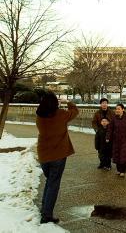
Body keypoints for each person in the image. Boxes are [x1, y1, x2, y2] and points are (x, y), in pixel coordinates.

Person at [36, 92, 79, 224]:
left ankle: (44, 209)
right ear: (55, 103)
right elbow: (75, 111)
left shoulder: (39, 116)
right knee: (54, 184)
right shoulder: (60, 114)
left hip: (44, 155)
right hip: (58, 155)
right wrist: (67, 102)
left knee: (50, 181)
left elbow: (46, 109)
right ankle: (47, 215)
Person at [106, 103, 126, 177]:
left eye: (119, 109)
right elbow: (110, 129)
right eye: (116, 109)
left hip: (125, 140)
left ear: (123, 109)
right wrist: (107, 137)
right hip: (115, 140)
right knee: (116, 155)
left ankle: (123, 171)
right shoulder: (114, 119)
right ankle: (118, 170)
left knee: (123, 155)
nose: (117, 110)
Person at [92, 98, 113, 169]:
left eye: (105, 103)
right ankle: (102, 163)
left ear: (107, 104)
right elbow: (94, 122)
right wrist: (97, 130)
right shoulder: (97, 113)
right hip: (100, 133)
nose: (104, 104)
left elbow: (114, 122)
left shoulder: (111, 112)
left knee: (108, 150)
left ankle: (108, 164)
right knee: (100, 150)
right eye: (103, 103)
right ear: (100, 104)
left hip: (109, 133)